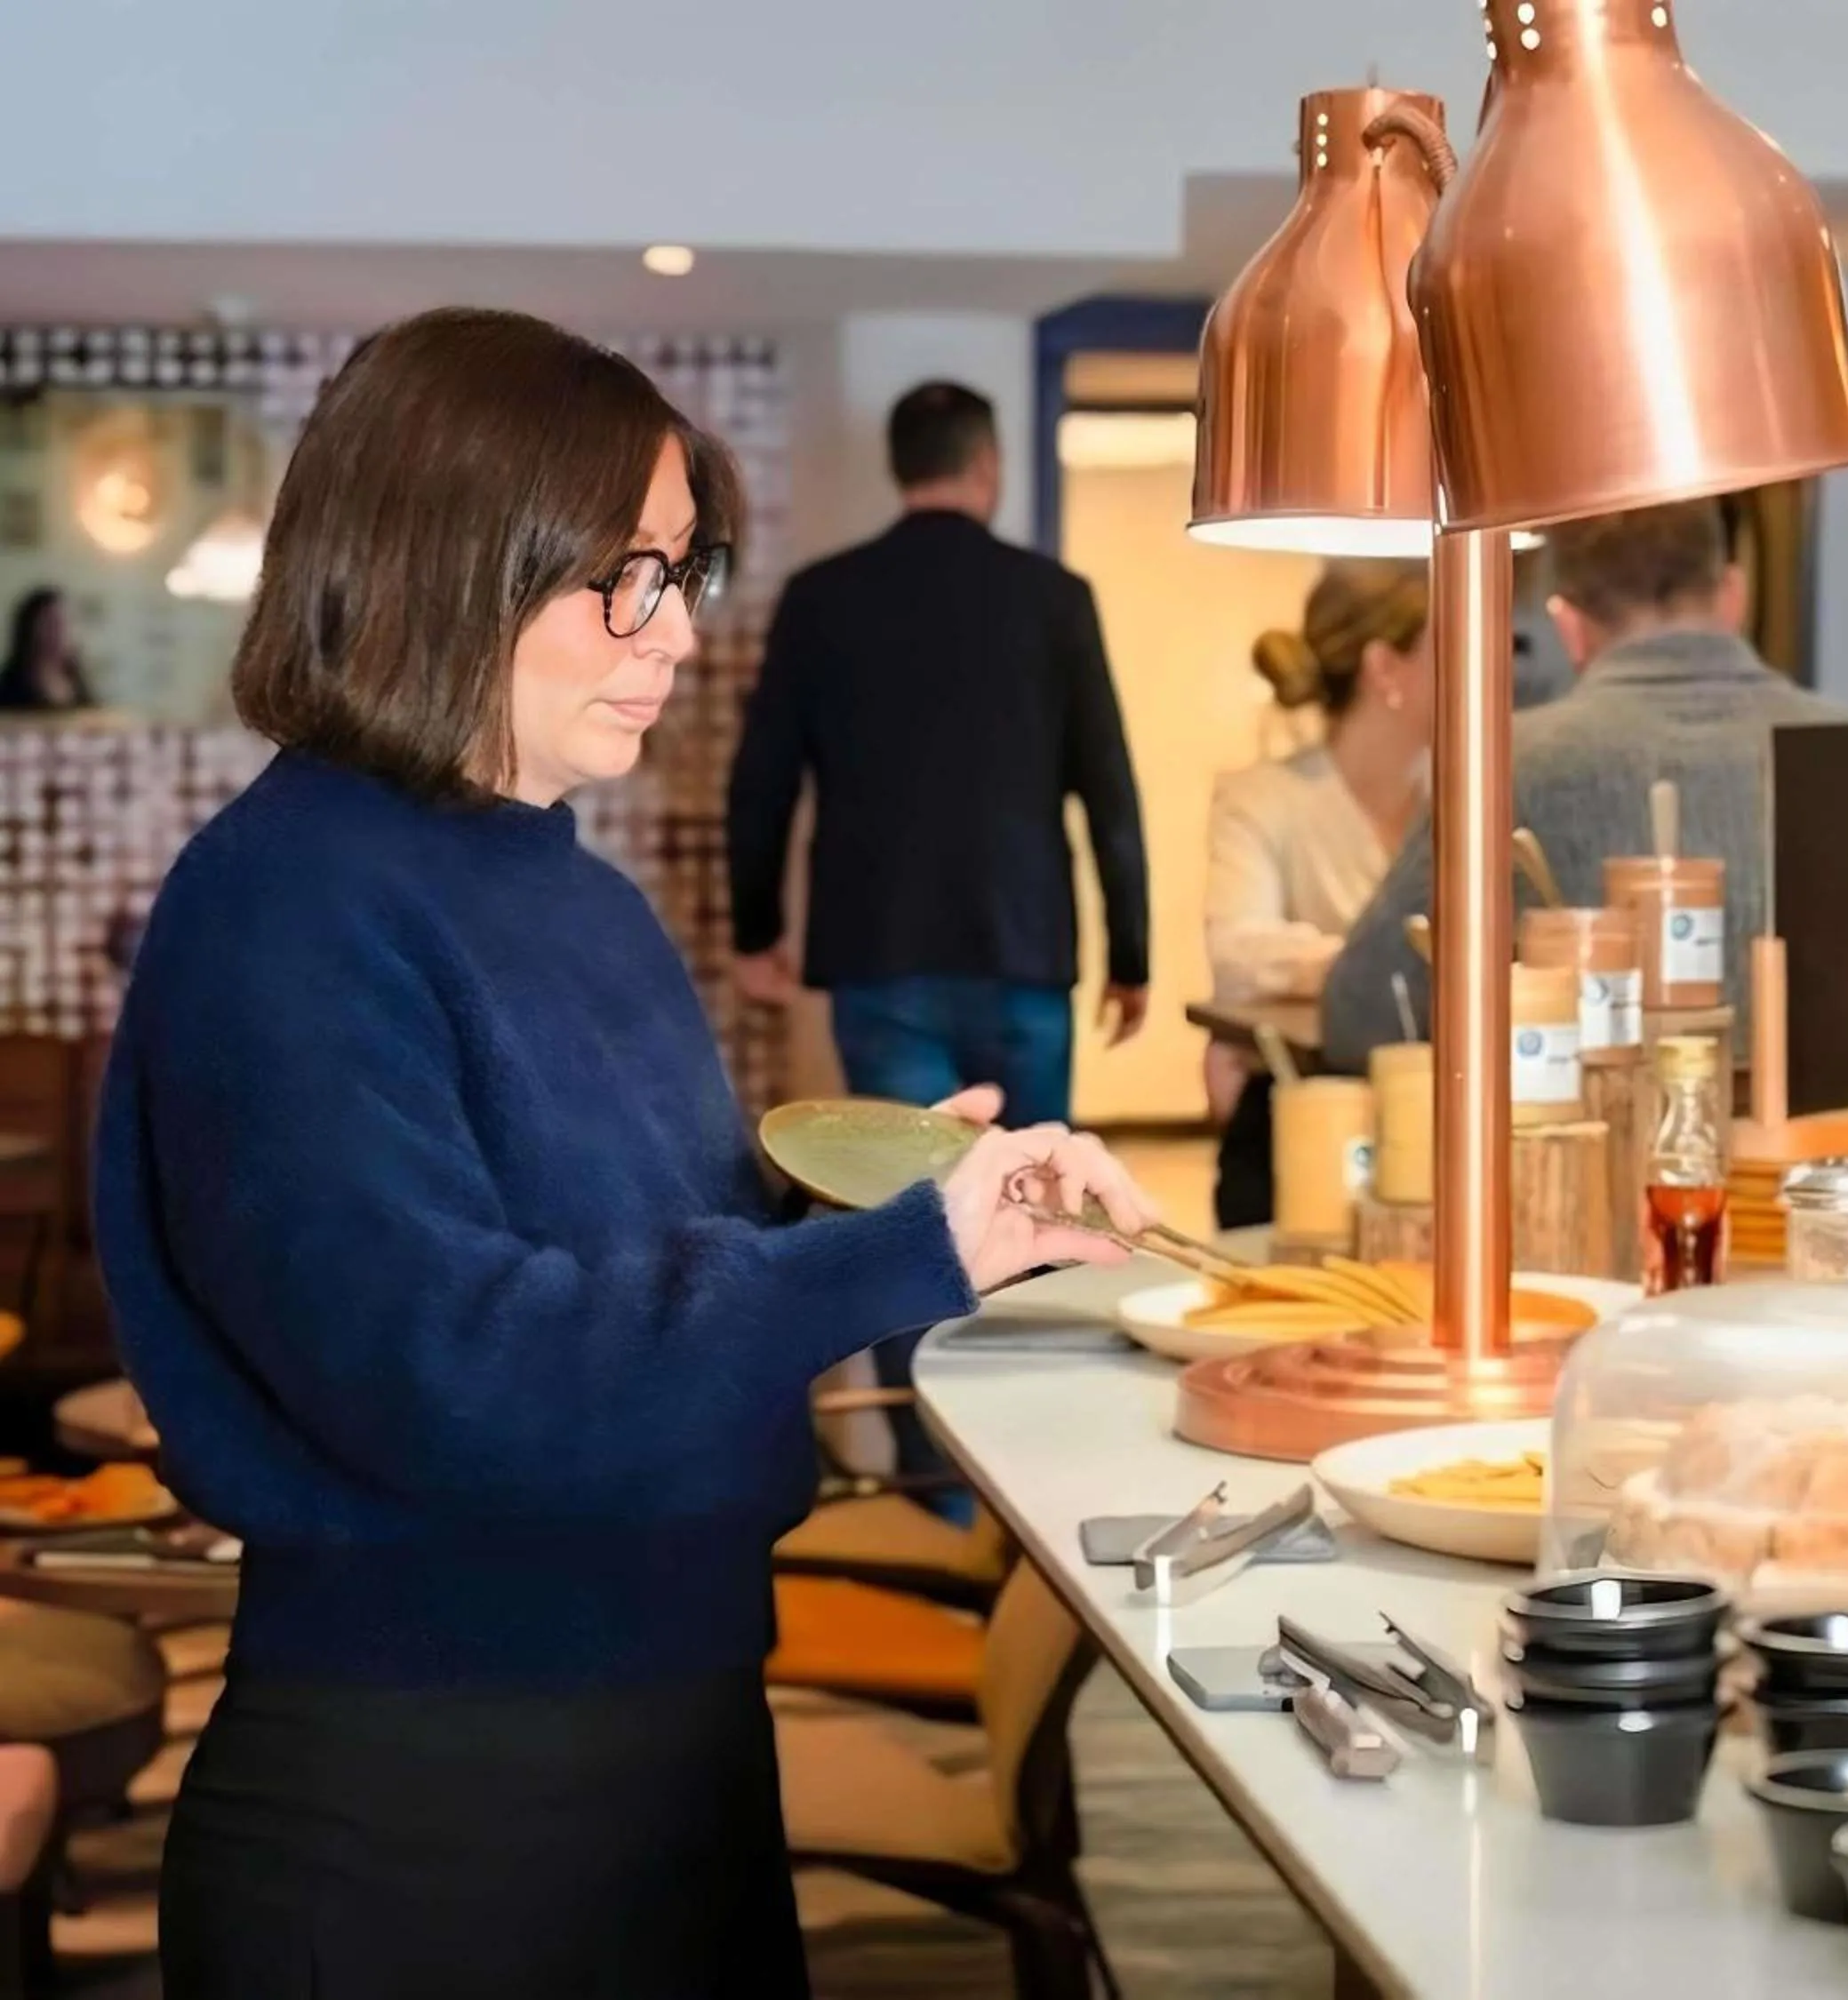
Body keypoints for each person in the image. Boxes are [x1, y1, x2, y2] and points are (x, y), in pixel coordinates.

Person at [92, 308, 1154, 2000]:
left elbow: (633, 1236)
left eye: (682, 571)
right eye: (622, 577)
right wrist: (895, 1254)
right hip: (427, 1809)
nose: (668, 633)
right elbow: (463, 1367)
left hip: (676, 1738)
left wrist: (880, 1185)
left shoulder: (575, 888)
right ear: (449, 556)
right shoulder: (285, 901)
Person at [1319, 500, 1848, 1072]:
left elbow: (1365, 1013)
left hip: (1591, 1197)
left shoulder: (1502, 763)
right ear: (1733, 596)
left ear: (1569, 624)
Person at [726, 380, 1149, 1128]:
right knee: (1037, 1200)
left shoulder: (820, 599)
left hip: (877, 952)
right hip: (1024, 948)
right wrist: (1131, 956)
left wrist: (756, 932)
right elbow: (1109, 791)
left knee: (918, 1201)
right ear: (988, 465)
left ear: (900, 467)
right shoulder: (1056, 600)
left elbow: (762, 781)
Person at [1207, 560, 1432, 1226]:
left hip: (1437, 1120)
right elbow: (1237, 951)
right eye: (1448, 645)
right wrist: (1373, 969)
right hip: (1299, 1122)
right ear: (1385, 669)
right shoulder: (1263, 799)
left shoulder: (1464, 792)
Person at [0, 587, 96, 711]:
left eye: (65, 623)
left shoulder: (76, 676)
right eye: (50, 624)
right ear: (30, 629)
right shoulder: (10, 683)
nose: (60, 632)